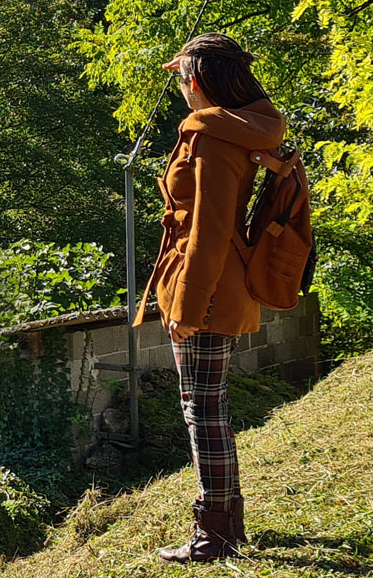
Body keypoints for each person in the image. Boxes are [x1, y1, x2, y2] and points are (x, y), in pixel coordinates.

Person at [133, 32, 286, 563]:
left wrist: (190, 308)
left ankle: (215, 534)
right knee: (208, 406)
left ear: (196, 81)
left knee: (203, 409)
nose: (178, 87)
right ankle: (224, 522)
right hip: (216, 283)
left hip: (209, 288)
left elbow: (211, 229)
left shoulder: (213, 137)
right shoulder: (242, 128)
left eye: (180, 77)